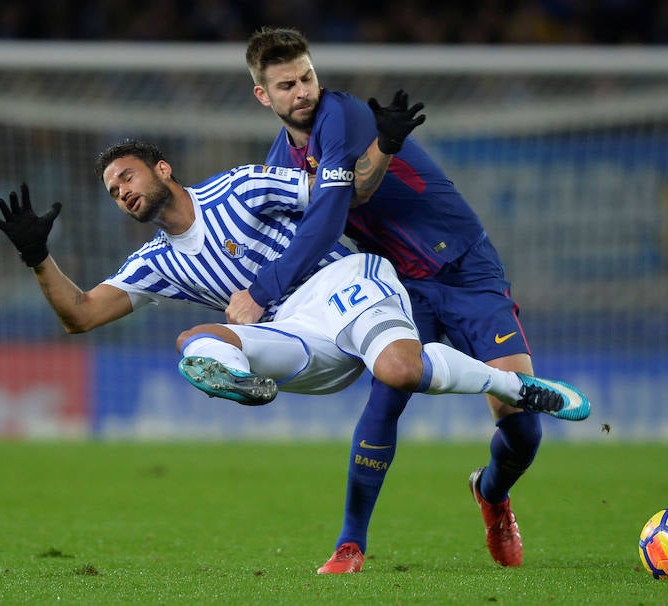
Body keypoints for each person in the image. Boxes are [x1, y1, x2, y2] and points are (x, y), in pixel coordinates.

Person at [245, 26, 573, 573]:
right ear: (264, 96)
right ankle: (350, 544)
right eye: (286, 85)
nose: (302, 91)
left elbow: (347, 200)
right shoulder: (279, 163)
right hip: (400, 284)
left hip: (466, 266)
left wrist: (262, 292)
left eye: (306, 77)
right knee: (388, 392)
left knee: (520, 424)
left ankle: (491, 494)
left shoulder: (341, 114)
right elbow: (315, 223)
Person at [0, 139, 589, 425]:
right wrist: (38, 257)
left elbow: (340, 194)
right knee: (196, 342)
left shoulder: (244, 187)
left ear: (162, 169)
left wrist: (380, 148)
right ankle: (242, 383)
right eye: (113, 190)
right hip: (295, 337)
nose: (121, 191)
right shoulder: (155, 262)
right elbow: (82, 315)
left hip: (344, 284)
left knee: (401, 370)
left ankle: (520, 390)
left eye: (127, 176)